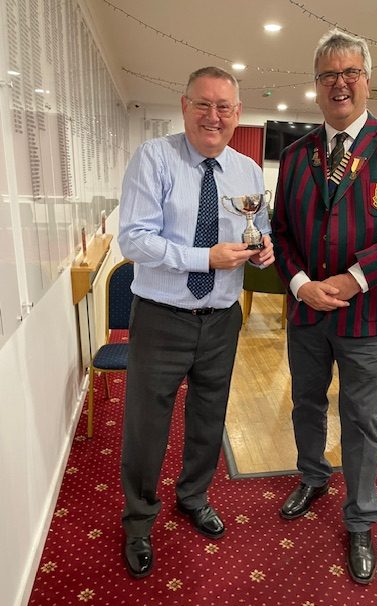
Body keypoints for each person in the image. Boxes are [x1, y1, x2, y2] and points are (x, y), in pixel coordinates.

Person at [271, 29, 377, 584]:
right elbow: (281, 231)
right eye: (328, 75)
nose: (339, 84)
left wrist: (354, 278)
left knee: (362, 419)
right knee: (306, 404)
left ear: (367, 80)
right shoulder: (296, 155)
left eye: (349, 73)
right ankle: (313, 476)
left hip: (368, 313)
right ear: (316, 86)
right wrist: (299, 284)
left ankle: (360, 518)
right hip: (307, 311)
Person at [118, 66, 274, 579]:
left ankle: (194, 496)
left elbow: (259, 228)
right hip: (161, 318)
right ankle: (139, 519)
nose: (213, 116)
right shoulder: (154, 158)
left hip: (222, 319)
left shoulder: (248, 171)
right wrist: (203, 258)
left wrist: (263, 249)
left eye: (224, 107)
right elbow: (134, 239)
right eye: (203, 104)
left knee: (209, 418)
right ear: (185, 106)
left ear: (237, 113)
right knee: (147, 427)